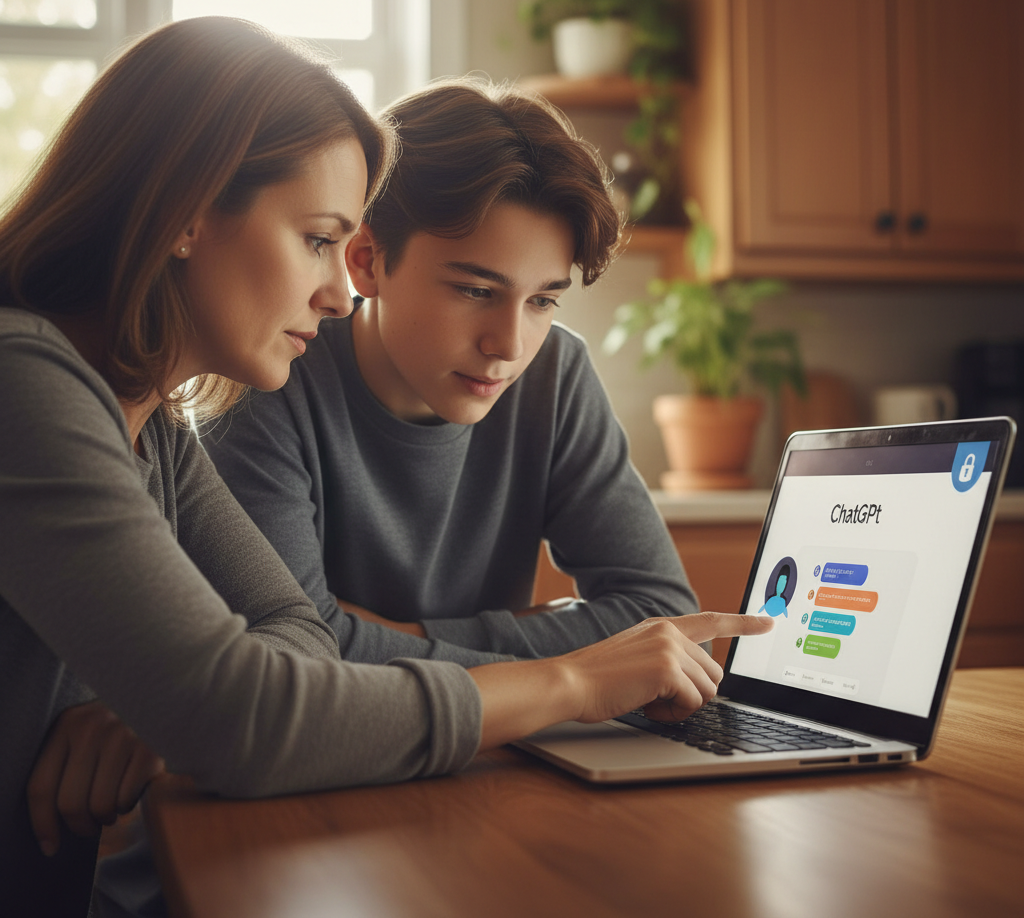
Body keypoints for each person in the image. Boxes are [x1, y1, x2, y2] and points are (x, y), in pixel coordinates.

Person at [0, 16, 771, 914]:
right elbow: (247, 710)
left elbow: (288, 641)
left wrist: (192, 705)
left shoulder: (149, 426)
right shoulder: (25, 385)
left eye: (542, 302)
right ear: (185, 216)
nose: (335, 292)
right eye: (320, 239)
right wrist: (570, 678)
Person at [203, 79, 699, 667]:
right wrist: (554, 646)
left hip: (500, 749)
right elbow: (297, 654)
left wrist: (402, 637)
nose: (509, 345)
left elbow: (662, 615)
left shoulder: (555, 375)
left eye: (543, 300)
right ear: (367, 260)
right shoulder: (268, 378)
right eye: (475, 290)